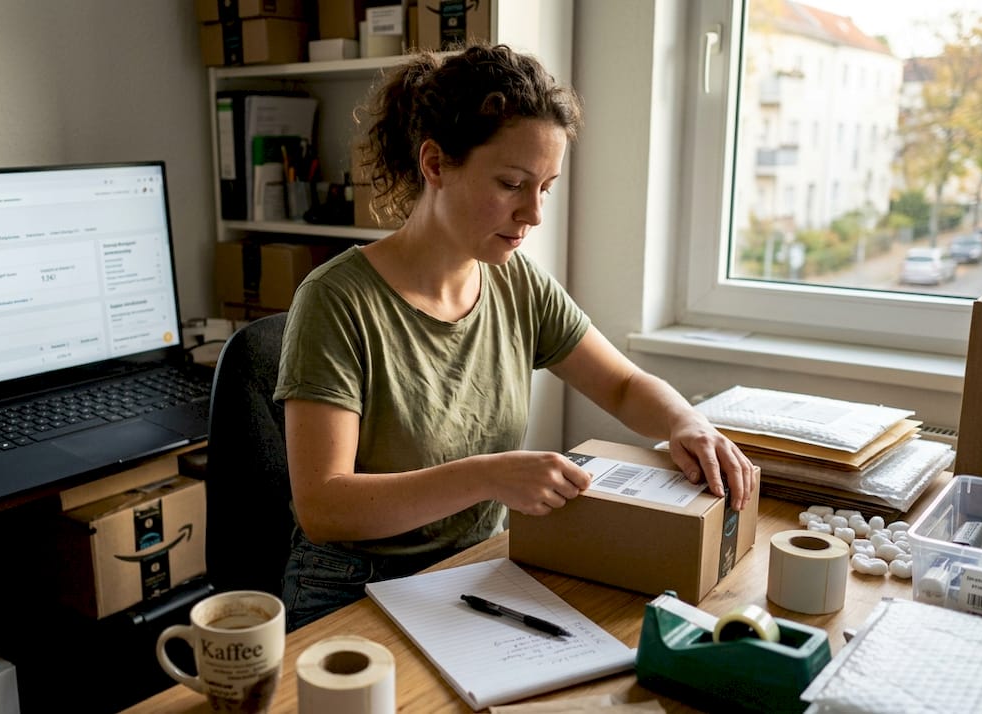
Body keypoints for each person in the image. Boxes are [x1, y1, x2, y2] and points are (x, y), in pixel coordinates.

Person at [274, 42, 756, 631]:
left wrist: (688, 422)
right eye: (511, 183)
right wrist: (488, 475)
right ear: (435, 165)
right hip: (353, 587)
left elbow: (624, 386)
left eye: (545, 187)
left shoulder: (516, 281)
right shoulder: (336, 301)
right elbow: (324, 506)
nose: (533, 214)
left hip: (476, 571)